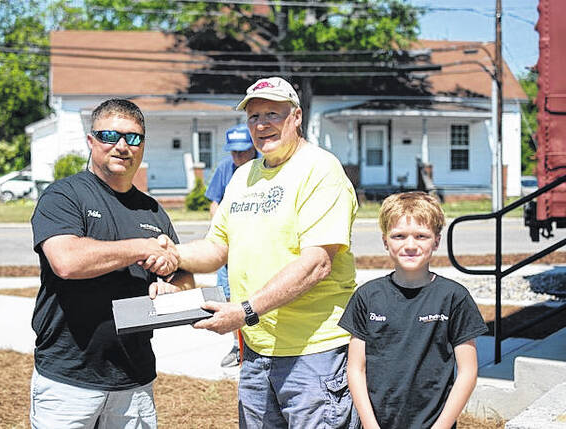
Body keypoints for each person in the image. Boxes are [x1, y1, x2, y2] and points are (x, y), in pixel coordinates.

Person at [155, 76, 359, 427]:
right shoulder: (244, 176)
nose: (262, 124)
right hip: (256, 350)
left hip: (314, 352)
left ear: (296, 117)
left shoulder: (321, 171)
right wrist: (174, 256)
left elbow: (316, 264)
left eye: (272, 114)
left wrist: (245, 310)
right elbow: (217, 246)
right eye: (253, 116)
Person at [29, 98, 190, 429]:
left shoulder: (153, 212)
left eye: (133, 138)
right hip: (68, 379)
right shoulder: (65, 196)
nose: (122, 146)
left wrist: (170, 290)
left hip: (134, 379)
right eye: (109, 136)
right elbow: (67, 261)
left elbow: (183, 278)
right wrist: (140, 247)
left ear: (142, 145)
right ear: (91, 141)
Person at [338, 192, 488, 429]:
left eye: (421, 236)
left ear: (436, 241)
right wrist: (370, 425)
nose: (410, 245)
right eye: (399, 236)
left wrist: (441, 426)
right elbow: (356, 369)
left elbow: (468, 372)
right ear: (385, 241)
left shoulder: (454, 298)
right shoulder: (367, 297)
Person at [204, 123, 258, 367]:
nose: (238, 156)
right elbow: (214, 202)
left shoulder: (263, 167)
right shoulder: (226, 169)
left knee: (255, 295)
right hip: (230, 247)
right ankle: (238, 348)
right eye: (234, 152)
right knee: (228, 296)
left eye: (243, 151)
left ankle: (254, 346)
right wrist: (221, 230)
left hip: (255, 246)